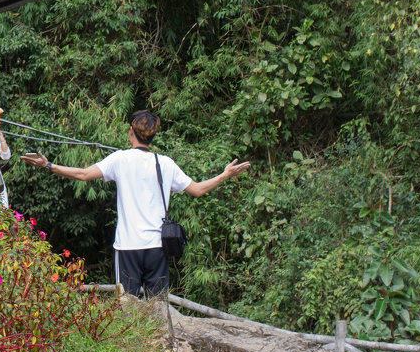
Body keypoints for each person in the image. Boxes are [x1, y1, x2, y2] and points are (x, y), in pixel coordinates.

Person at [20, 110, 250, 298]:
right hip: (156, 247)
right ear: (152, 136)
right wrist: (224, 175)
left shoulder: (120, 159)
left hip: (128, 246)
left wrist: (49, 165)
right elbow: (198, 190)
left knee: (127, 307)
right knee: (157, 307)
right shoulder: (165, 163)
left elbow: (82, 174)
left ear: (131, 131)